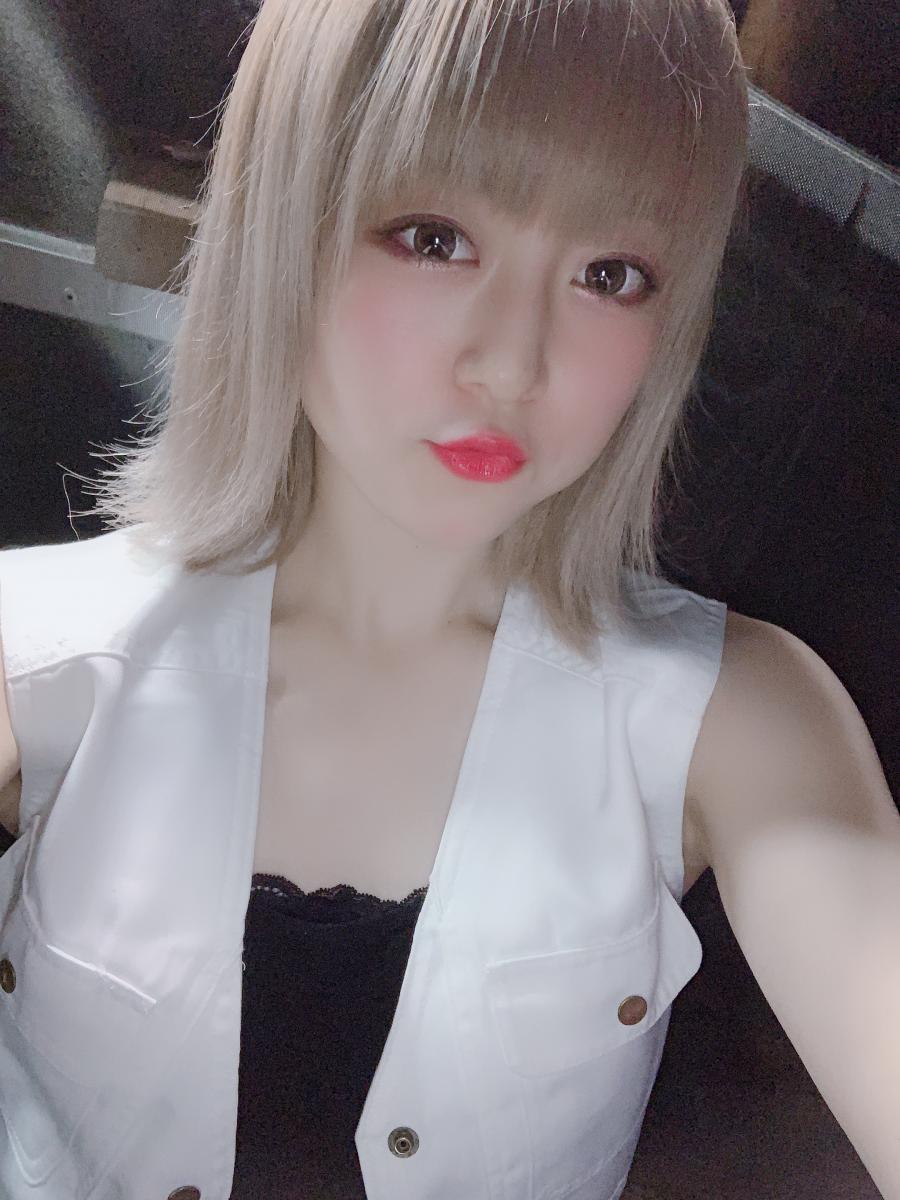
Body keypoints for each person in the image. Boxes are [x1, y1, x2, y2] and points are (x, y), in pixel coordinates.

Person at [0, 1, 897, 1198]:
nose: (514, 363)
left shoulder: (743, 718)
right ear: (286, 225)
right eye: (434, 239)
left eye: (610, 275)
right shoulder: (34, 654)